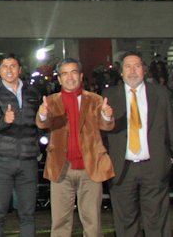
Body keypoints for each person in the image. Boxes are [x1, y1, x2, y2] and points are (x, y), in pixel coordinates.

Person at [35, 58, 115, 237]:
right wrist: (42, 114)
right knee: (60, 224)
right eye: (65, 73)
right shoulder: (51, 101)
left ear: (81, 76)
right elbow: (42, 123)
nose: (69, 77)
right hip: (61, 168)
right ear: (59, 79)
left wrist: (107, 116)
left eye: (73, 72)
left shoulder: (95, 99)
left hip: (90, 168)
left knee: (93, 224)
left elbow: (106, 126)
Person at [102, 52, 173, 237]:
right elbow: (102, 133)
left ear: (144, 70)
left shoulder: (160, 93)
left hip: (154, 166)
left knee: (157, 221)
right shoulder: (109, 96)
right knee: (126, 223)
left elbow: (171, 127)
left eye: (137, 66)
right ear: (121, 72)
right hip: (122, 168)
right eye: (127, 66)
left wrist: (170, 159)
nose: (132, 71)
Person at [0, 53, 43, 237]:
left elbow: (40, 124)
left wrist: (44, 117)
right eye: (5, 66)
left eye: (13, 66)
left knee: (28, 214)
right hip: (2, 159)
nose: (9, 70)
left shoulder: (33, 92)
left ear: (20, 69)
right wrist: (5, 120)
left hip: (28, 159)